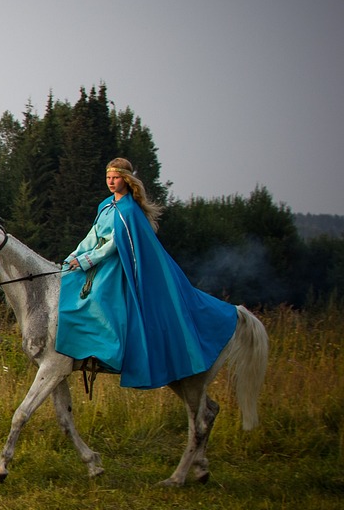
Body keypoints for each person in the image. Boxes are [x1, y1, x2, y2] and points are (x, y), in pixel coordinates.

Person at [55, 157, 237, 389]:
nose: (111, 182)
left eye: (116, 177)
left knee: (100, 297)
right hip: (94, 261)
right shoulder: (106, 205)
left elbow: (112, 245)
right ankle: (76, 346)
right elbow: (92, 236)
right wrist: (73, 257)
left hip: (116, 265)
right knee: (69, 284)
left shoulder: (129, 210)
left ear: (126, 179)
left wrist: (85, 260)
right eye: (108, 178)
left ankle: (106, 353)